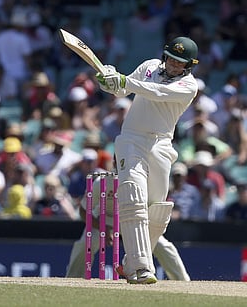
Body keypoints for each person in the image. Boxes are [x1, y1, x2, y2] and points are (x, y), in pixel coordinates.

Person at [95, 36, 200, 284]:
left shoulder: (189, 85)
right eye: (171, 59)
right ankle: (142, 269)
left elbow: (158, 92)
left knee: (157, 211)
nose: (174, 65)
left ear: (189, 66)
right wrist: (107, 79)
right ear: (165, 56)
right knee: (133, 197)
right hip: (132, 138)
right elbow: (122, 89)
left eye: (180, 62)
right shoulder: (149, 66)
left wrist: (125, 80)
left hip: (162, 144)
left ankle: (128, 264)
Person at [66, 174, 190, 281]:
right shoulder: (102, 182)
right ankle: (72, 279)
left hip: (134, 220)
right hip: (106, 219)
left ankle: (183, 282)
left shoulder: (144, 181)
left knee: (163, 246)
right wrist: (104, 228)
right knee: (86, 243)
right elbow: (83, 211)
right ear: (115, 163)